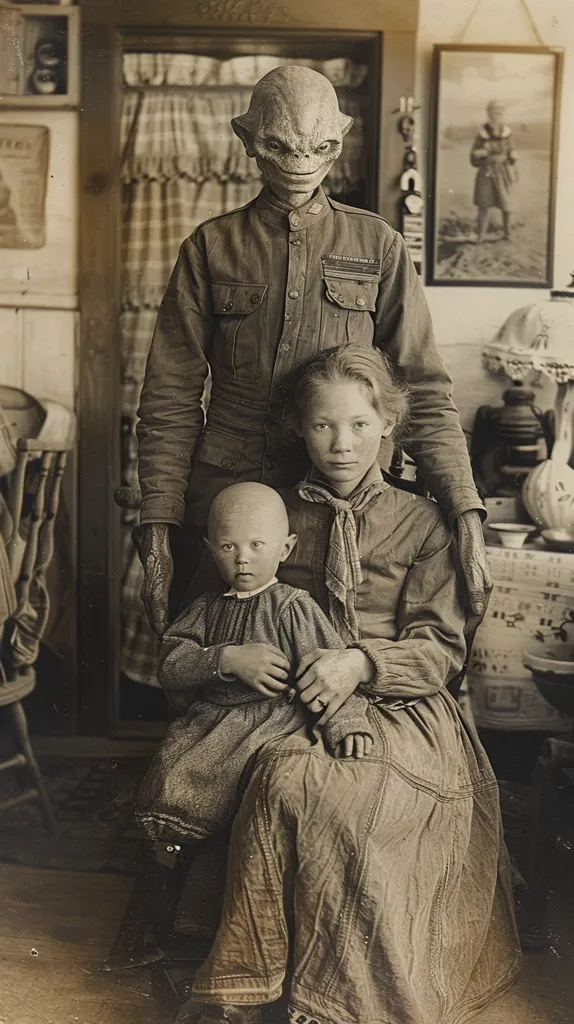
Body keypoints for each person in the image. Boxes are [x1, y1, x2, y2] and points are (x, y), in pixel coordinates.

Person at [183, 345, 521, 1024]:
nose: (342, 445)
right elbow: (210, 616)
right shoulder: (265, 516)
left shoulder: (421, 522)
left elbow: (439, 648)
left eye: (361, 425)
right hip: (285, 700)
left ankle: (340, 1000)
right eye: (323, 426)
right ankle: (255, 982)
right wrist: (237, 657)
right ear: (300, 430)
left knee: (336, 796)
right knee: (284, 777)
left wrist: (361, 663)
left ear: (388, 424)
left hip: (401, 705)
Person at [133, 64, 491, 643]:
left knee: (335, 663)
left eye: (319, 147)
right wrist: (158, 523)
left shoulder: (379, 245)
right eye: (278, 146)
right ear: (246, 139)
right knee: (218, 664)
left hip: (344, 497)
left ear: (340, 139)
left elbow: (422, 389)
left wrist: (465, 510)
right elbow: (170, 397)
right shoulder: (210, 246)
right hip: (228, 495)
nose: (300, 165)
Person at [136, 482, 374, 844]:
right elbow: (170, 666)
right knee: (170, 769)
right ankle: (175, 852)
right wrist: (225, 658)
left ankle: (218, 848)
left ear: (286, 548)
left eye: (256, 545)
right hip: (209, 720)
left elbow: (330, 667)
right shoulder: (205, 607)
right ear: (211, 549)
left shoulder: (293, 607)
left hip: (270, 720)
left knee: (252, 784)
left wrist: (349, 723)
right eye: (228, 546)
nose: (242, 557)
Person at [470, 100, 518, 243]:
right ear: (488, 114)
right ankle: (480, 235)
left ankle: (507, 233)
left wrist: (513, 156)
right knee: (483, 204)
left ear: (502, 115)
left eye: (498, 113)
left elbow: (511, 151)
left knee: (507, 204)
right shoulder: (482, 134)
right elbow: (473, 155)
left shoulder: (507, 133)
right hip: (487, 171)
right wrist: (480, 153)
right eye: (493, 113)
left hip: (503, 172)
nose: (495, 116)